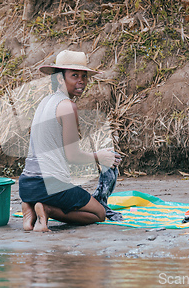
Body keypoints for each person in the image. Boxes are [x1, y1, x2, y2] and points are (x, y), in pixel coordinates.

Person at [19, 50, 122, 232]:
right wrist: (101, 157)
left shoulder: (46, 102)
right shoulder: (67, 106)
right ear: (60, 78)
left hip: (27, 185)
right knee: (98, 213)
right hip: (49, 185)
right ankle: (46, 209)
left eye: (84, 76)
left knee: (73, 197)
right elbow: (73, 156)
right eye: (74, 75)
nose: (81, 81)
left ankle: (30, 208)